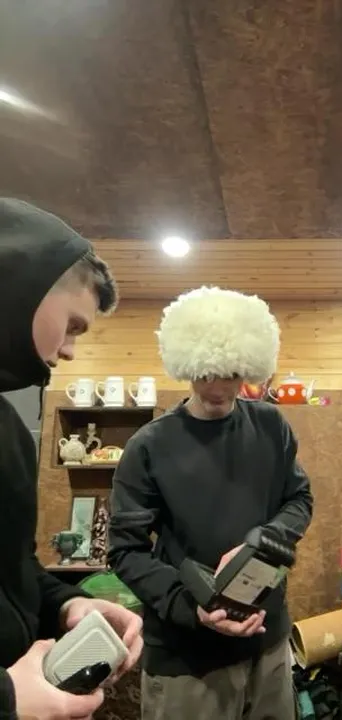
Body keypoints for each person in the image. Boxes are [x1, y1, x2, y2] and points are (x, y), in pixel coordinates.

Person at [108, 286, 314, 720]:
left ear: (249, 367)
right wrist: (191, 606)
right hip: (187, 660)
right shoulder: (149, 446)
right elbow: (125, 551)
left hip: (268, 644)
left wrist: (264, 541)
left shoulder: (271, 426)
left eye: (231, 374)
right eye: (205, 375)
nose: (218, 388)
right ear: (187, 366)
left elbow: (299, 498)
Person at [0, 198, 143, 720]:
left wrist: (66, 605)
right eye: (74, 325)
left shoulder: (9, 431)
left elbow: (12, 568)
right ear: (22, 286)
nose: (69, 352)